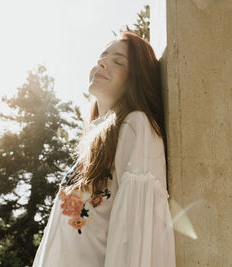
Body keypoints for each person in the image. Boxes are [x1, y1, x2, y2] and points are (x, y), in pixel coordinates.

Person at [32, 31, 176, 267]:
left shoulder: (135, 125)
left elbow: (137, 233)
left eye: (118, 61)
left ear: (135, 79)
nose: (102, 63)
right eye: (102, 56)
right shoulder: (96, 139)